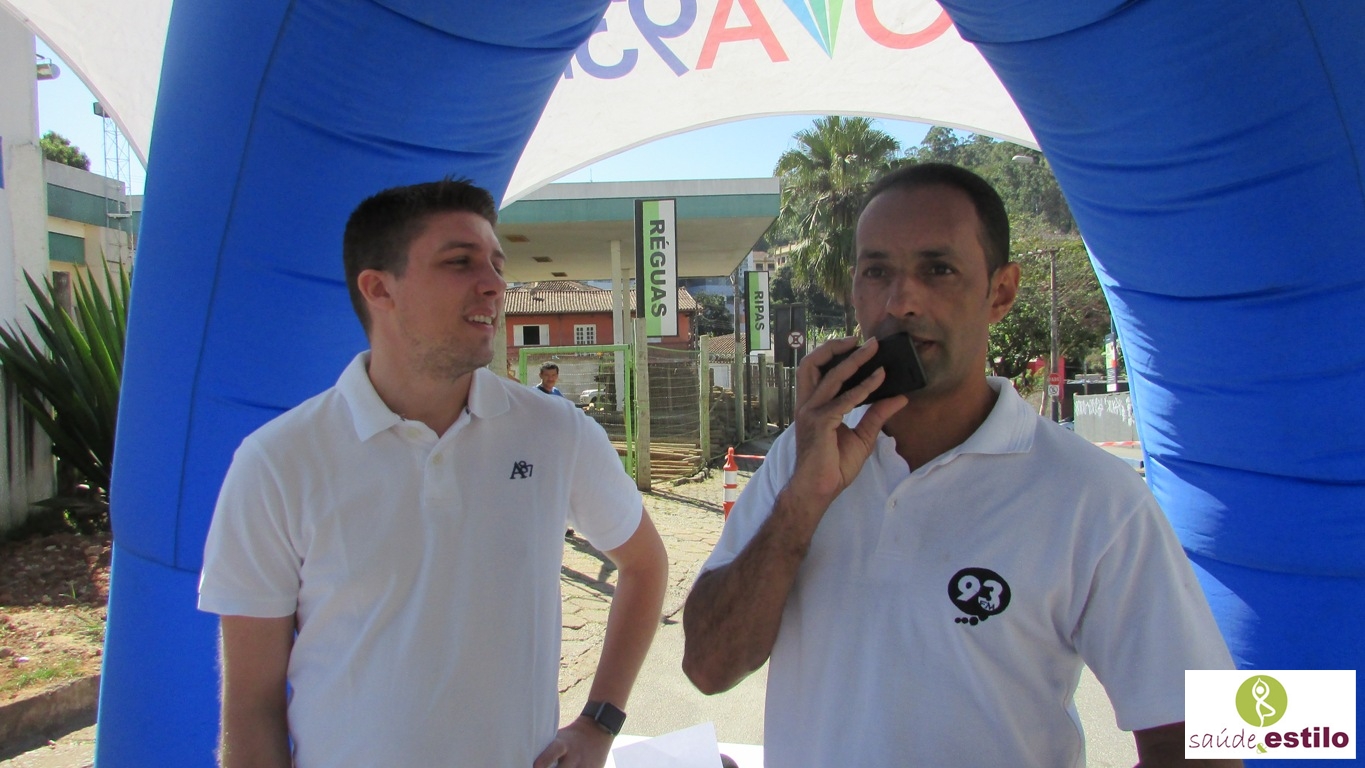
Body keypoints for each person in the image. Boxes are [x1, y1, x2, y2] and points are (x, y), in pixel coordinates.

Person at [681, 164, 1238, 768]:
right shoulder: (800, 455)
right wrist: (802, 504)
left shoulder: (1093, 495)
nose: (900, 301)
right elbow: (708, 667)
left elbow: (1205, 741)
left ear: (1001, 292)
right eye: (877, 272)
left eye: (938, 270)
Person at [199, 179, 668, 768]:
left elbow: (645, 564)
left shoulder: (556, 432)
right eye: (460, 261)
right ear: (379, 288)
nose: (495, 283)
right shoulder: (277, 463)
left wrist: (599, 722)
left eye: (497, 264)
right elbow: (251, 707)